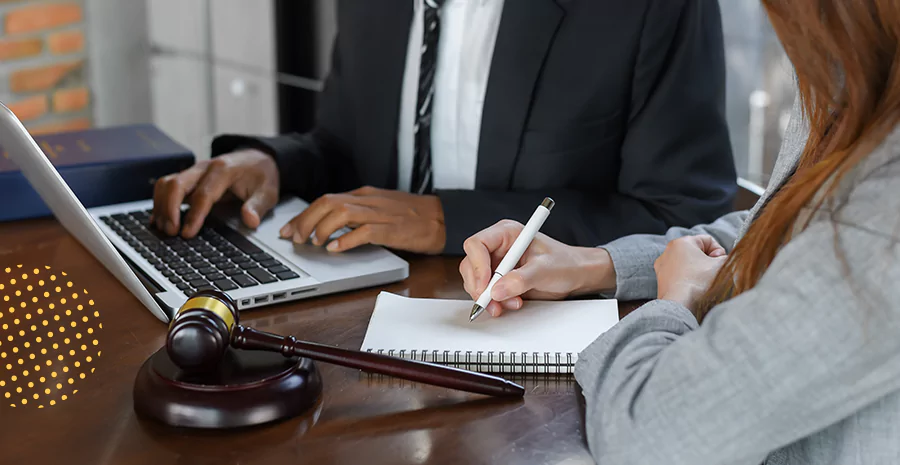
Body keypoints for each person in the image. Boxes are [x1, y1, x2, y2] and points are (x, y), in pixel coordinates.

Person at [459, 1, 900, 463]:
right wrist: (593, 265)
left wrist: (674, 301)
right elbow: (785, 224)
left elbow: (646, 436)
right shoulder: (858, 79)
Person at [150, 0, 736, 255]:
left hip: (543, 360)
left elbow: (681, 216)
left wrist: (442, 220)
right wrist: (272, 162)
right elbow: (349, 151)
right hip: (363, 329)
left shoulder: (650, 8)